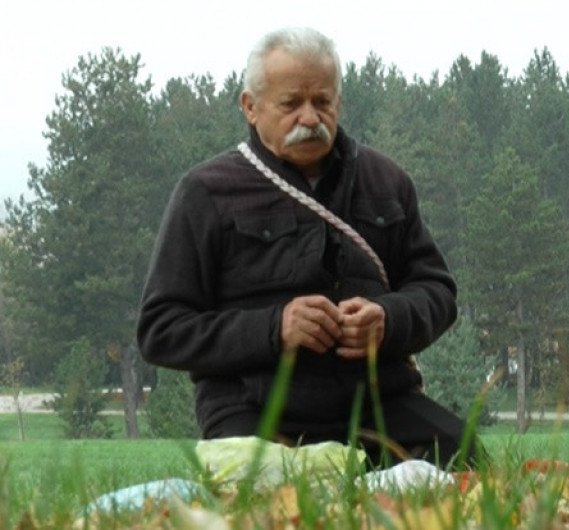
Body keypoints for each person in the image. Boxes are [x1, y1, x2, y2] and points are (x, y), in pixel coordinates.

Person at [137, 27, 480, 470]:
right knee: (269, 490)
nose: (309, 117)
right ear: (250, 107)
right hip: (255, 410)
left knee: (469, 465)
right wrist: (275, 328)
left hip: (378, 404)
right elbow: (161, 330)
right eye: (290, 104)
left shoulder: (386, 181)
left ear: (339, 102)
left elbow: (437, 292)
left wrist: (387, 320)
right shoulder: (206, 192)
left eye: (322, 101)